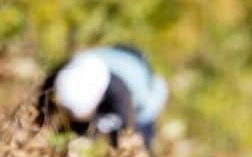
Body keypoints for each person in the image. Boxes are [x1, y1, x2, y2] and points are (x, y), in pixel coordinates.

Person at [37, 45, 169, 151]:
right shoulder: (65, 72)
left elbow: (127, 140)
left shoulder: (125, 99)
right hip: (114, 57)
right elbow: (41, 105)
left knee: (139, 138)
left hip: (142, 83)